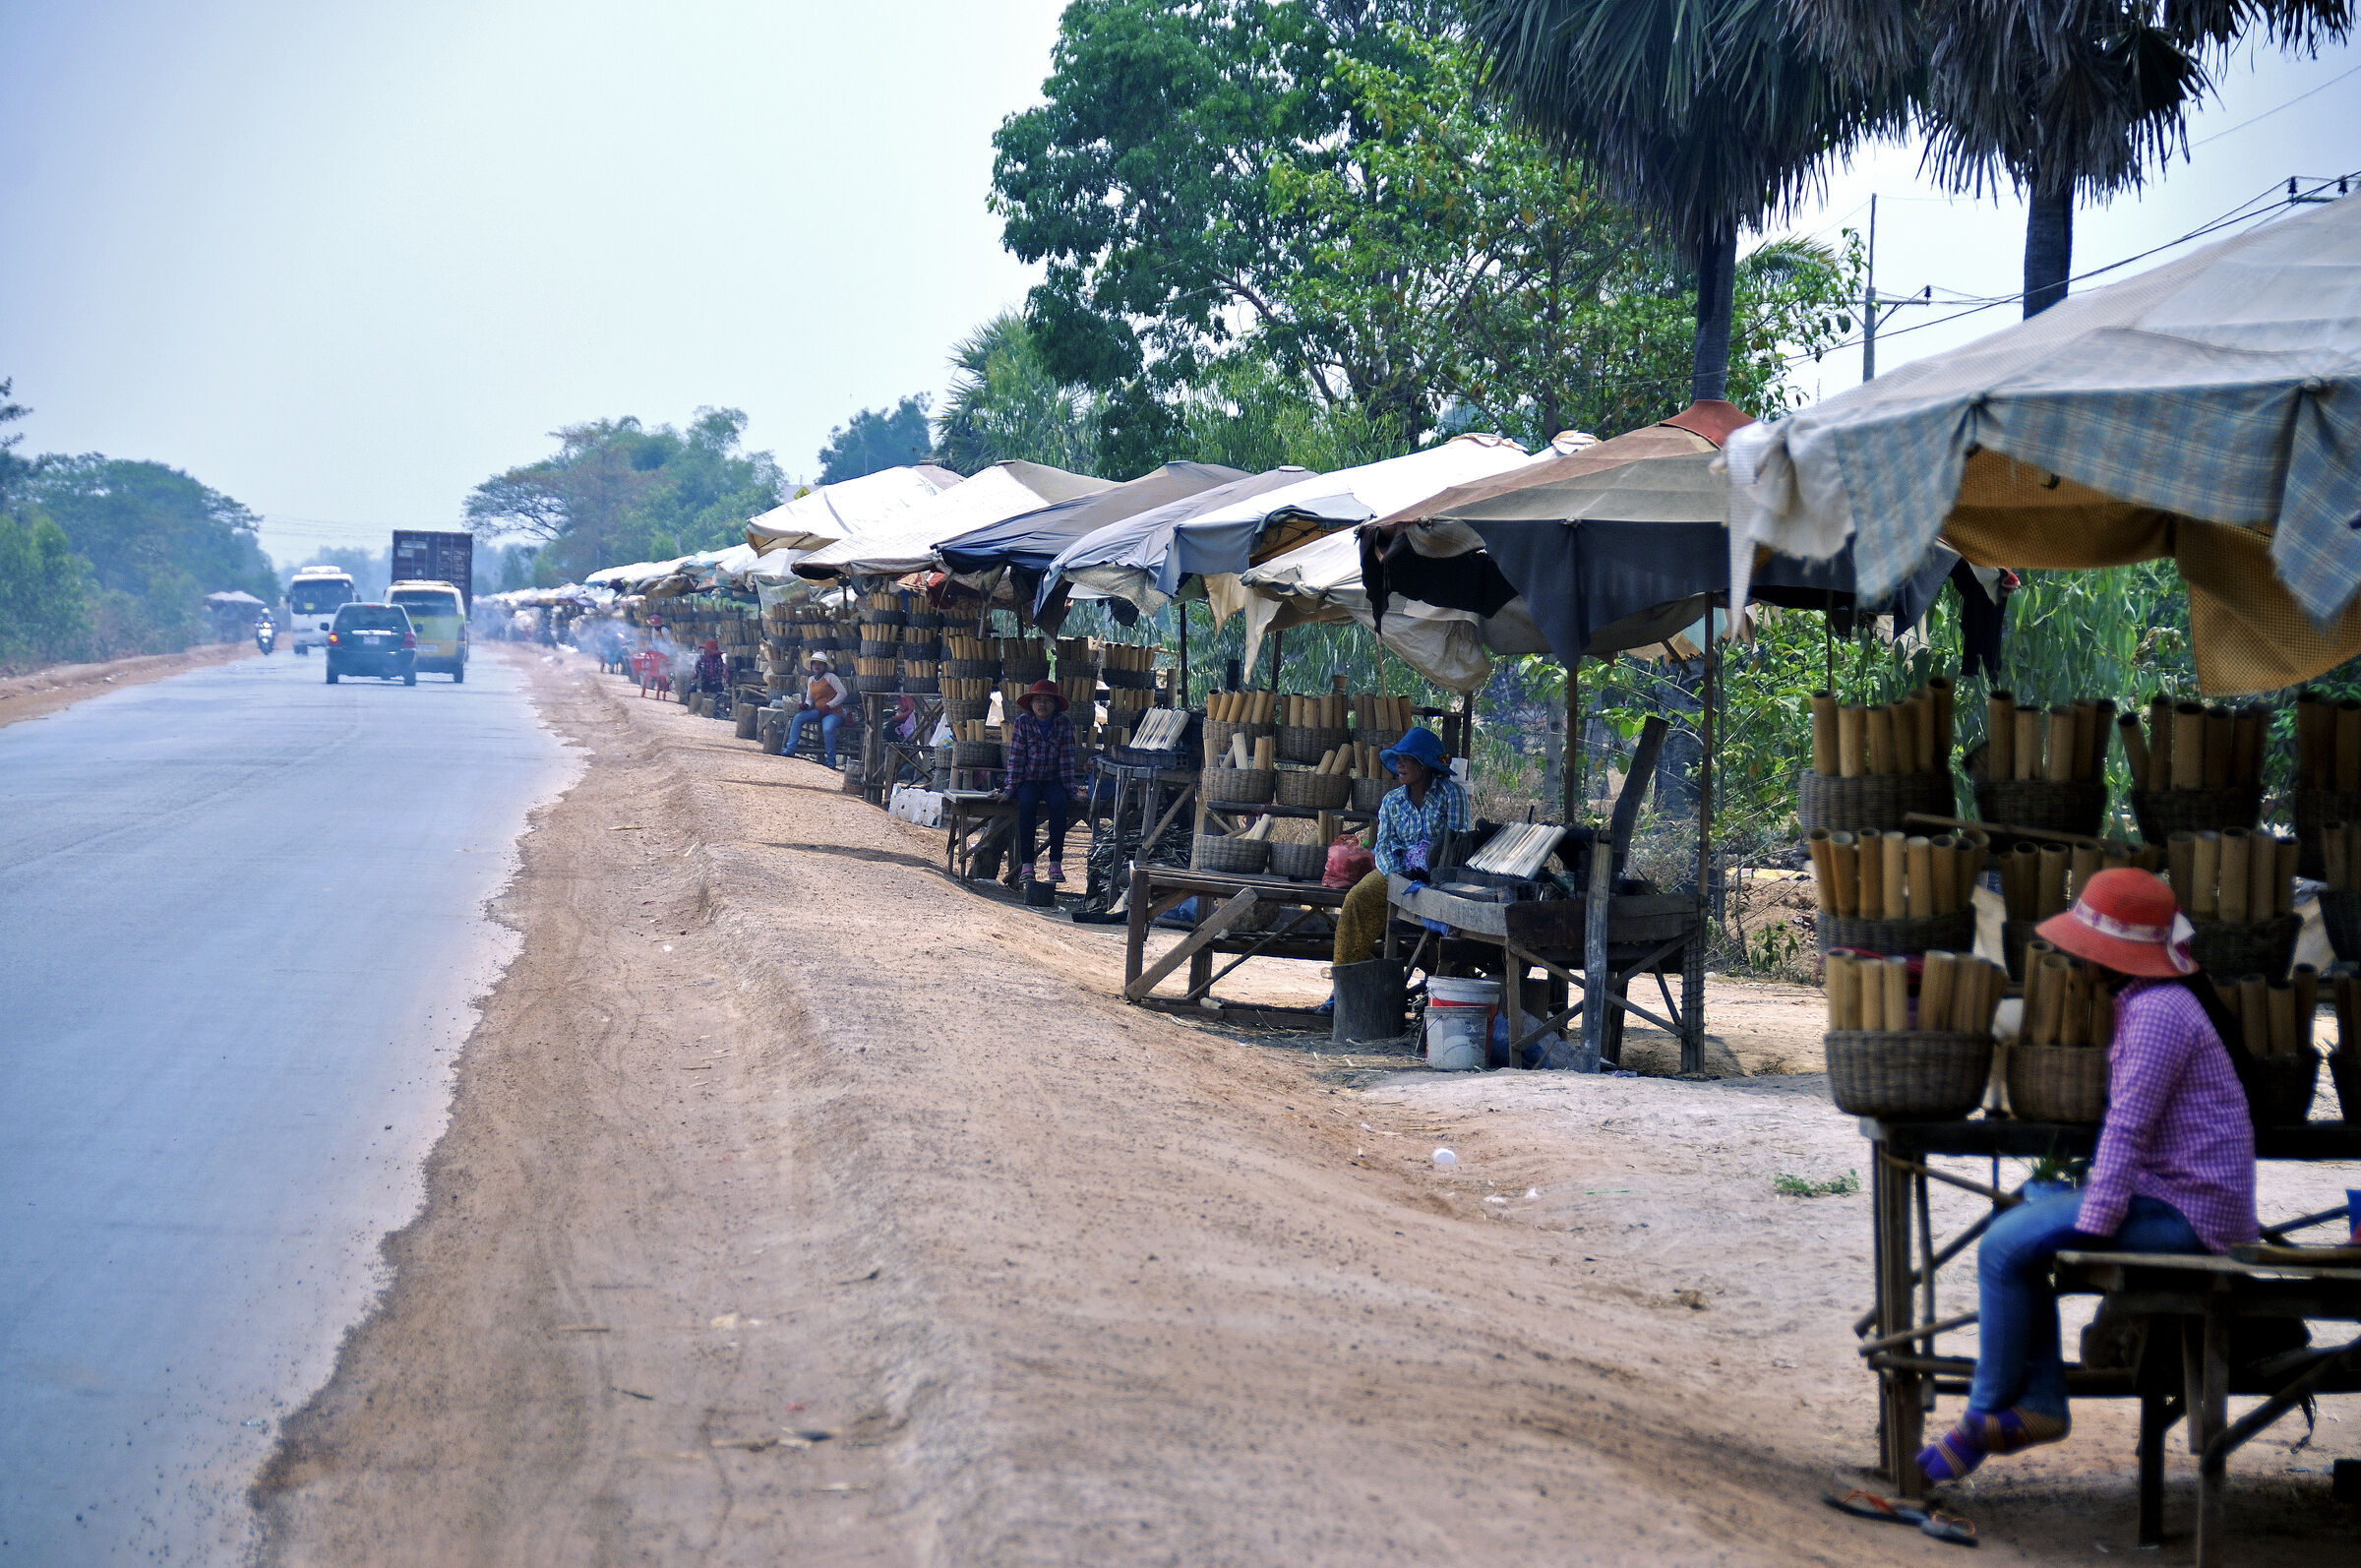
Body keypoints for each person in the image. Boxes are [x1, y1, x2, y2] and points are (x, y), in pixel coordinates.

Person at [1919, 868, 2257, 1483]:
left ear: (2114, 956)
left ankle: (1977, 1423)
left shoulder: (2159, 1012)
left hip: (2188, 1216)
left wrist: (2095, 1223)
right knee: (2017, 1215)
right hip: (2168, 1199)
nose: (2077, 959)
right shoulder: (2156, 1003)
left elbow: (2127, 1130)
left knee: (2001, 1247)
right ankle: (2043, 1403)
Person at [1331, 725, 1471, 972]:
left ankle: (1453, 983)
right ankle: (1343, 981)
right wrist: (1398, 877)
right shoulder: (1392, 800)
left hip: (1440, 877)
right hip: (1398, 872)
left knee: (1450, 915)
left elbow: (1458, 845)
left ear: (1425, 765)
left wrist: (1433, 878)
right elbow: (1383, 846)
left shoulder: (1452, 794)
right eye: (1399, 760)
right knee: (1357, 899)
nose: (1400, 765)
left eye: (1408, 760)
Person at [1001, 679, 1083, 883]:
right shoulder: (1023, 722)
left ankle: (1055, 863)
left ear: (1055, 705)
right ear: (1031, 704)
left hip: (1053, 779)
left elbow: (1066, 760)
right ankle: (1027, 864)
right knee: (1026, 804)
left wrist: (1073, 792)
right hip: (1028, 779)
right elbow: (1016, 758)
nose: (1042, 705)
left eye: (1047, 700)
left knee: (1059, 803)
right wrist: (1009, 790)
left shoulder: (1064, 724)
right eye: (1037, 700)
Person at [786, 653, 851, 765]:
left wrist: (829, 705)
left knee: (827, 729)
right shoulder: (810, 680)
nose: (817, 666)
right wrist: (805, 705)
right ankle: (790, 749)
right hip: (818, 711)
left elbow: (842, 693)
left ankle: (831, 761)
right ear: (811, 666)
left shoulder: (830, 677)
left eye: (820, 664)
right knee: (798, 718)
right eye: (815, 663)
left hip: (833, 713)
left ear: (825, 666)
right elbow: (809, 700)